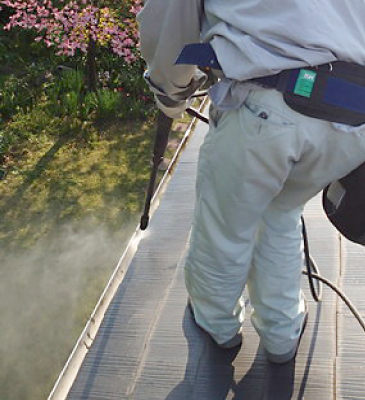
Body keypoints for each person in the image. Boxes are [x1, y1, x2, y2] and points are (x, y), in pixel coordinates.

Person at [137, 0, 365, 364]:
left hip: (269, 108)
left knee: (226, 229)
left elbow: (166, 27)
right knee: (281, 212)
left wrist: (170, 98)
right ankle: (282, 333)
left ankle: (217, 326)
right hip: (353, 120)